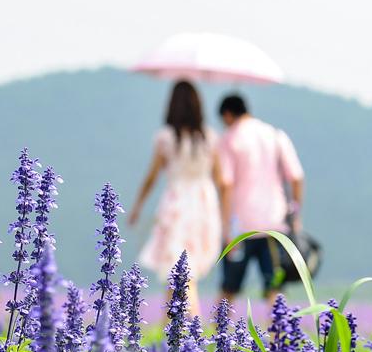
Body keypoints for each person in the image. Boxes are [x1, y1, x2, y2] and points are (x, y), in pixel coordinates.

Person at [129, 80, 227, 316]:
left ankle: (190, 329)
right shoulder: (209, 137)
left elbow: (152, 177)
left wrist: (137, 206)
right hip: (204, 204)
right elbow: (221, 180)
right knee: (181, 269)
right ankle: (169, 330)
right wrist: (225, 218)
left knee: (181, 270)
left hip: (177, 203)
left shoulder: (166, 138)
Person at [218, 94, 304, 302]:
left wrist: (226, 226)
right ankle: (279, 334)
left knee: (229, 288)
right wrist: (295, 211)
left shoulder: (229, 139)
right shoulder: (275, 135)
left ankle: (216, 333)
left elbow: (226, 185)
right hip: (274, 224)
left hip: (240, 226)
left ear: (228, 115)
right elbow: (296, 177)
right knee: (274, 289)